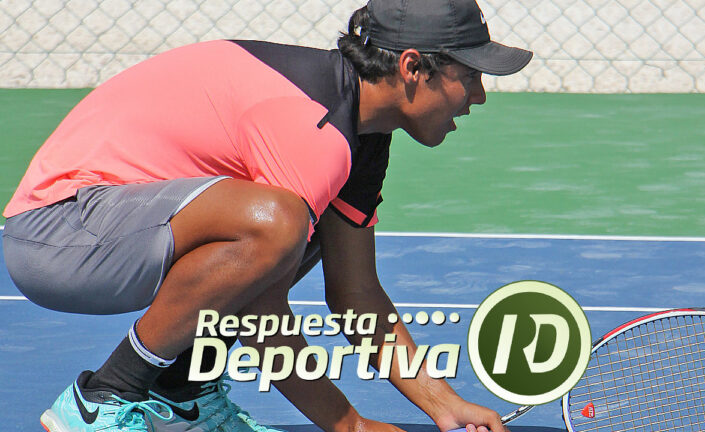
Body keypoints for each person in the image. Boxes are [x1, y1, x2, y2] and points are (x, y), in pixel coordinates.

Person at [2, 0, 532, 431]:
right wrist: (350, 425)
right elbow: (260, 308)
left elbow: (355, 294)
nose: (479, 96)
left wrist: (442, 404)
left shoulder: (360, 138)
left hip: (116, 232)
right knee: (277, 224)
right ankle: (102, 398)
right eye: (471, 75)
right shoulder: (313, 126)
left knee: (297, 226)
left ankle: (182, 397)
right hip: (56, 236)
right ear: (412, 67)